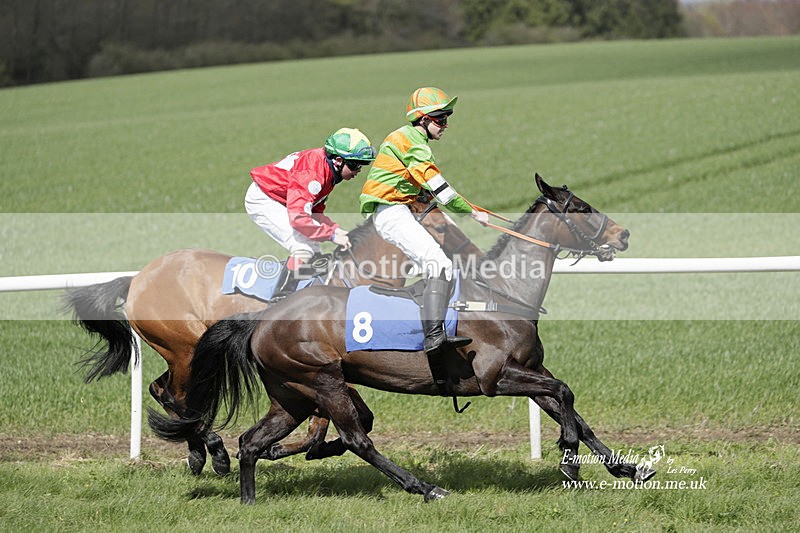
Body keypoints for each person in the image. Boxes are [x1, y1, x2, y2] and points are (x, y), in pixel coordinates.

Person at [360, 87, 489, 357]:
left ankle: (418, 310)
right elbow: (439, 187)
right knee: (440, 266)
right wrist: (472, 213)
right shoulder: (412, 142)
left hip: (400, 210)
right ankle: (433, 338)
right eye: (440, 119)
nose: (445, 125)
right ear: (423, 120)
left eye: (447, 118)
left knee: (440, 267)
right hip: (393, 212)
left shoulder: (410, 138)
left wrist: (470, 207)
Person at [246, 127, 376, 298]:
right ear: (337, 160)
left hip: (284, 201)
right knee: (303, 249)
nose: (357, 171)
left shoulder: (328, 171)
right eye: (354, 165)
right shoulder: (313, 173)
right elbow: (299, 218)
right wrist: (331, 236)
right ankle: (279, 299)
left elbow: (314, 212)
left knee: (315, 255)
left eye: (361, 165)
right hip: (263, 199)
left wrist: (337, 230)